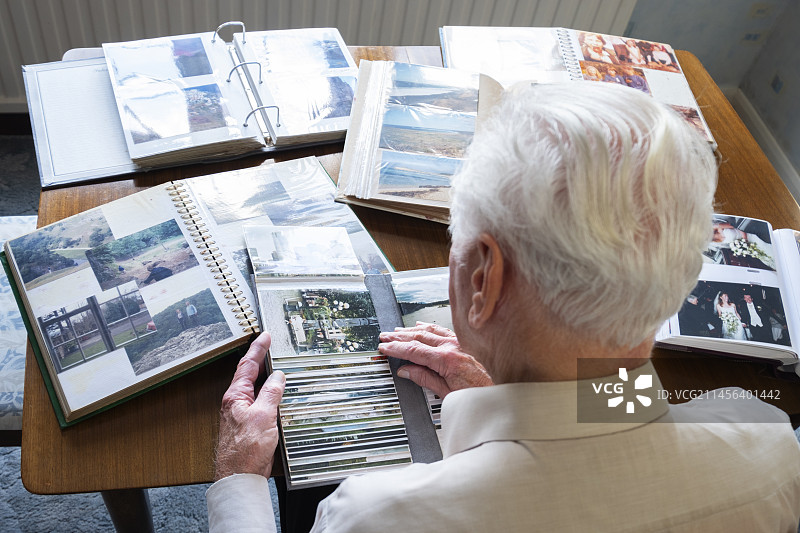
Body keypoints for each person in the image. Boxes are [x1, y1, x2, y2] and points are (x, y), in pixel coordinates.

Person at [207, 82, 800, 532]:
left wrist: (239, 479)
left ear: (484, 280)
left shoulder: (375, 515)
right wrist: (519, 391)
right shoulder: (766, 440)